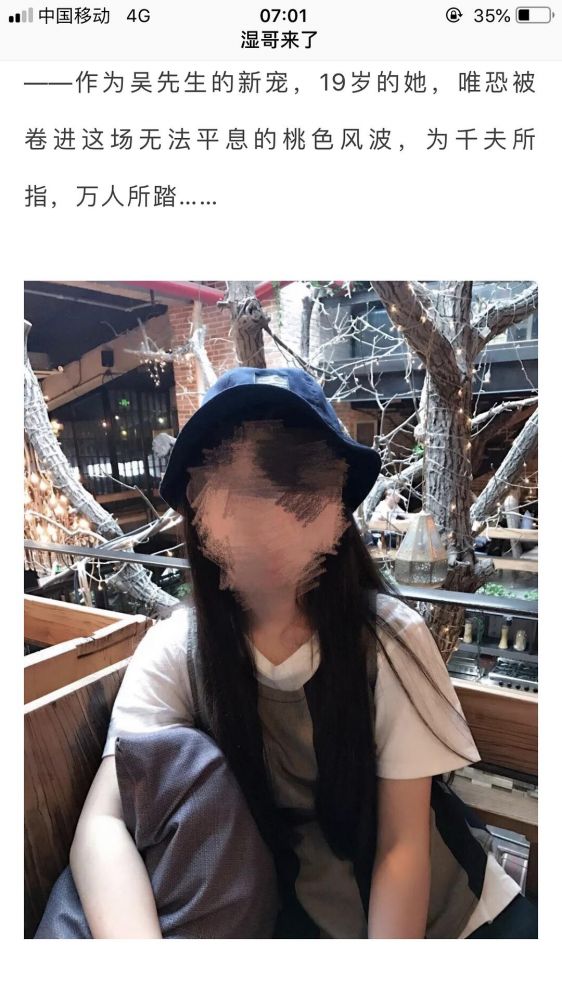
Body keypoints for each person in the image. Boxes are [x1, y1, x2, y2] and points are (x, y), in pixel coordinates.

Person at [67, 366, 537, 939]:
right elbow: (103, 821)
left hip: (454, 918)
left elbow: (402, 844)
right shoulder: (178, 648)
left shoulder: (388, 639)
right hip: (300, 918)